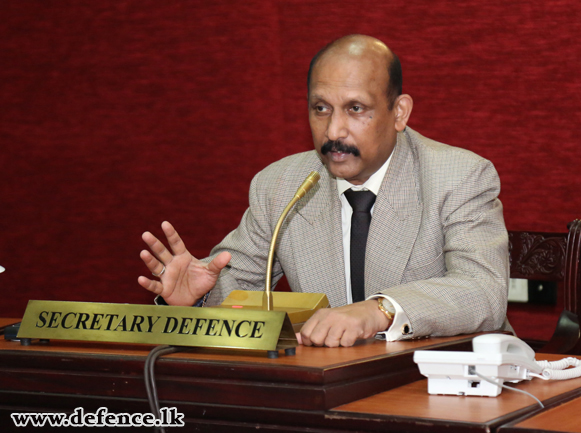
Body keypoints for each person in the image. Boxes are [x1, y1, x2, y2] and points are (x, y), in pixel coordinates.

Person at [138, 35, 510, 348]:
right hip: (326, 384)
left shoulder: (459, 176)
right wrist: (198, 297)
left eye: (355, 108)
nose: (334, 131)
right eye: (321, 108)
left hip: (442, 380)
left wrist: (380, 310)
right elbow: (239, 290)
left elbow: (483, 290)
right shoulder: (281, 185)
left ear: (399, 112)